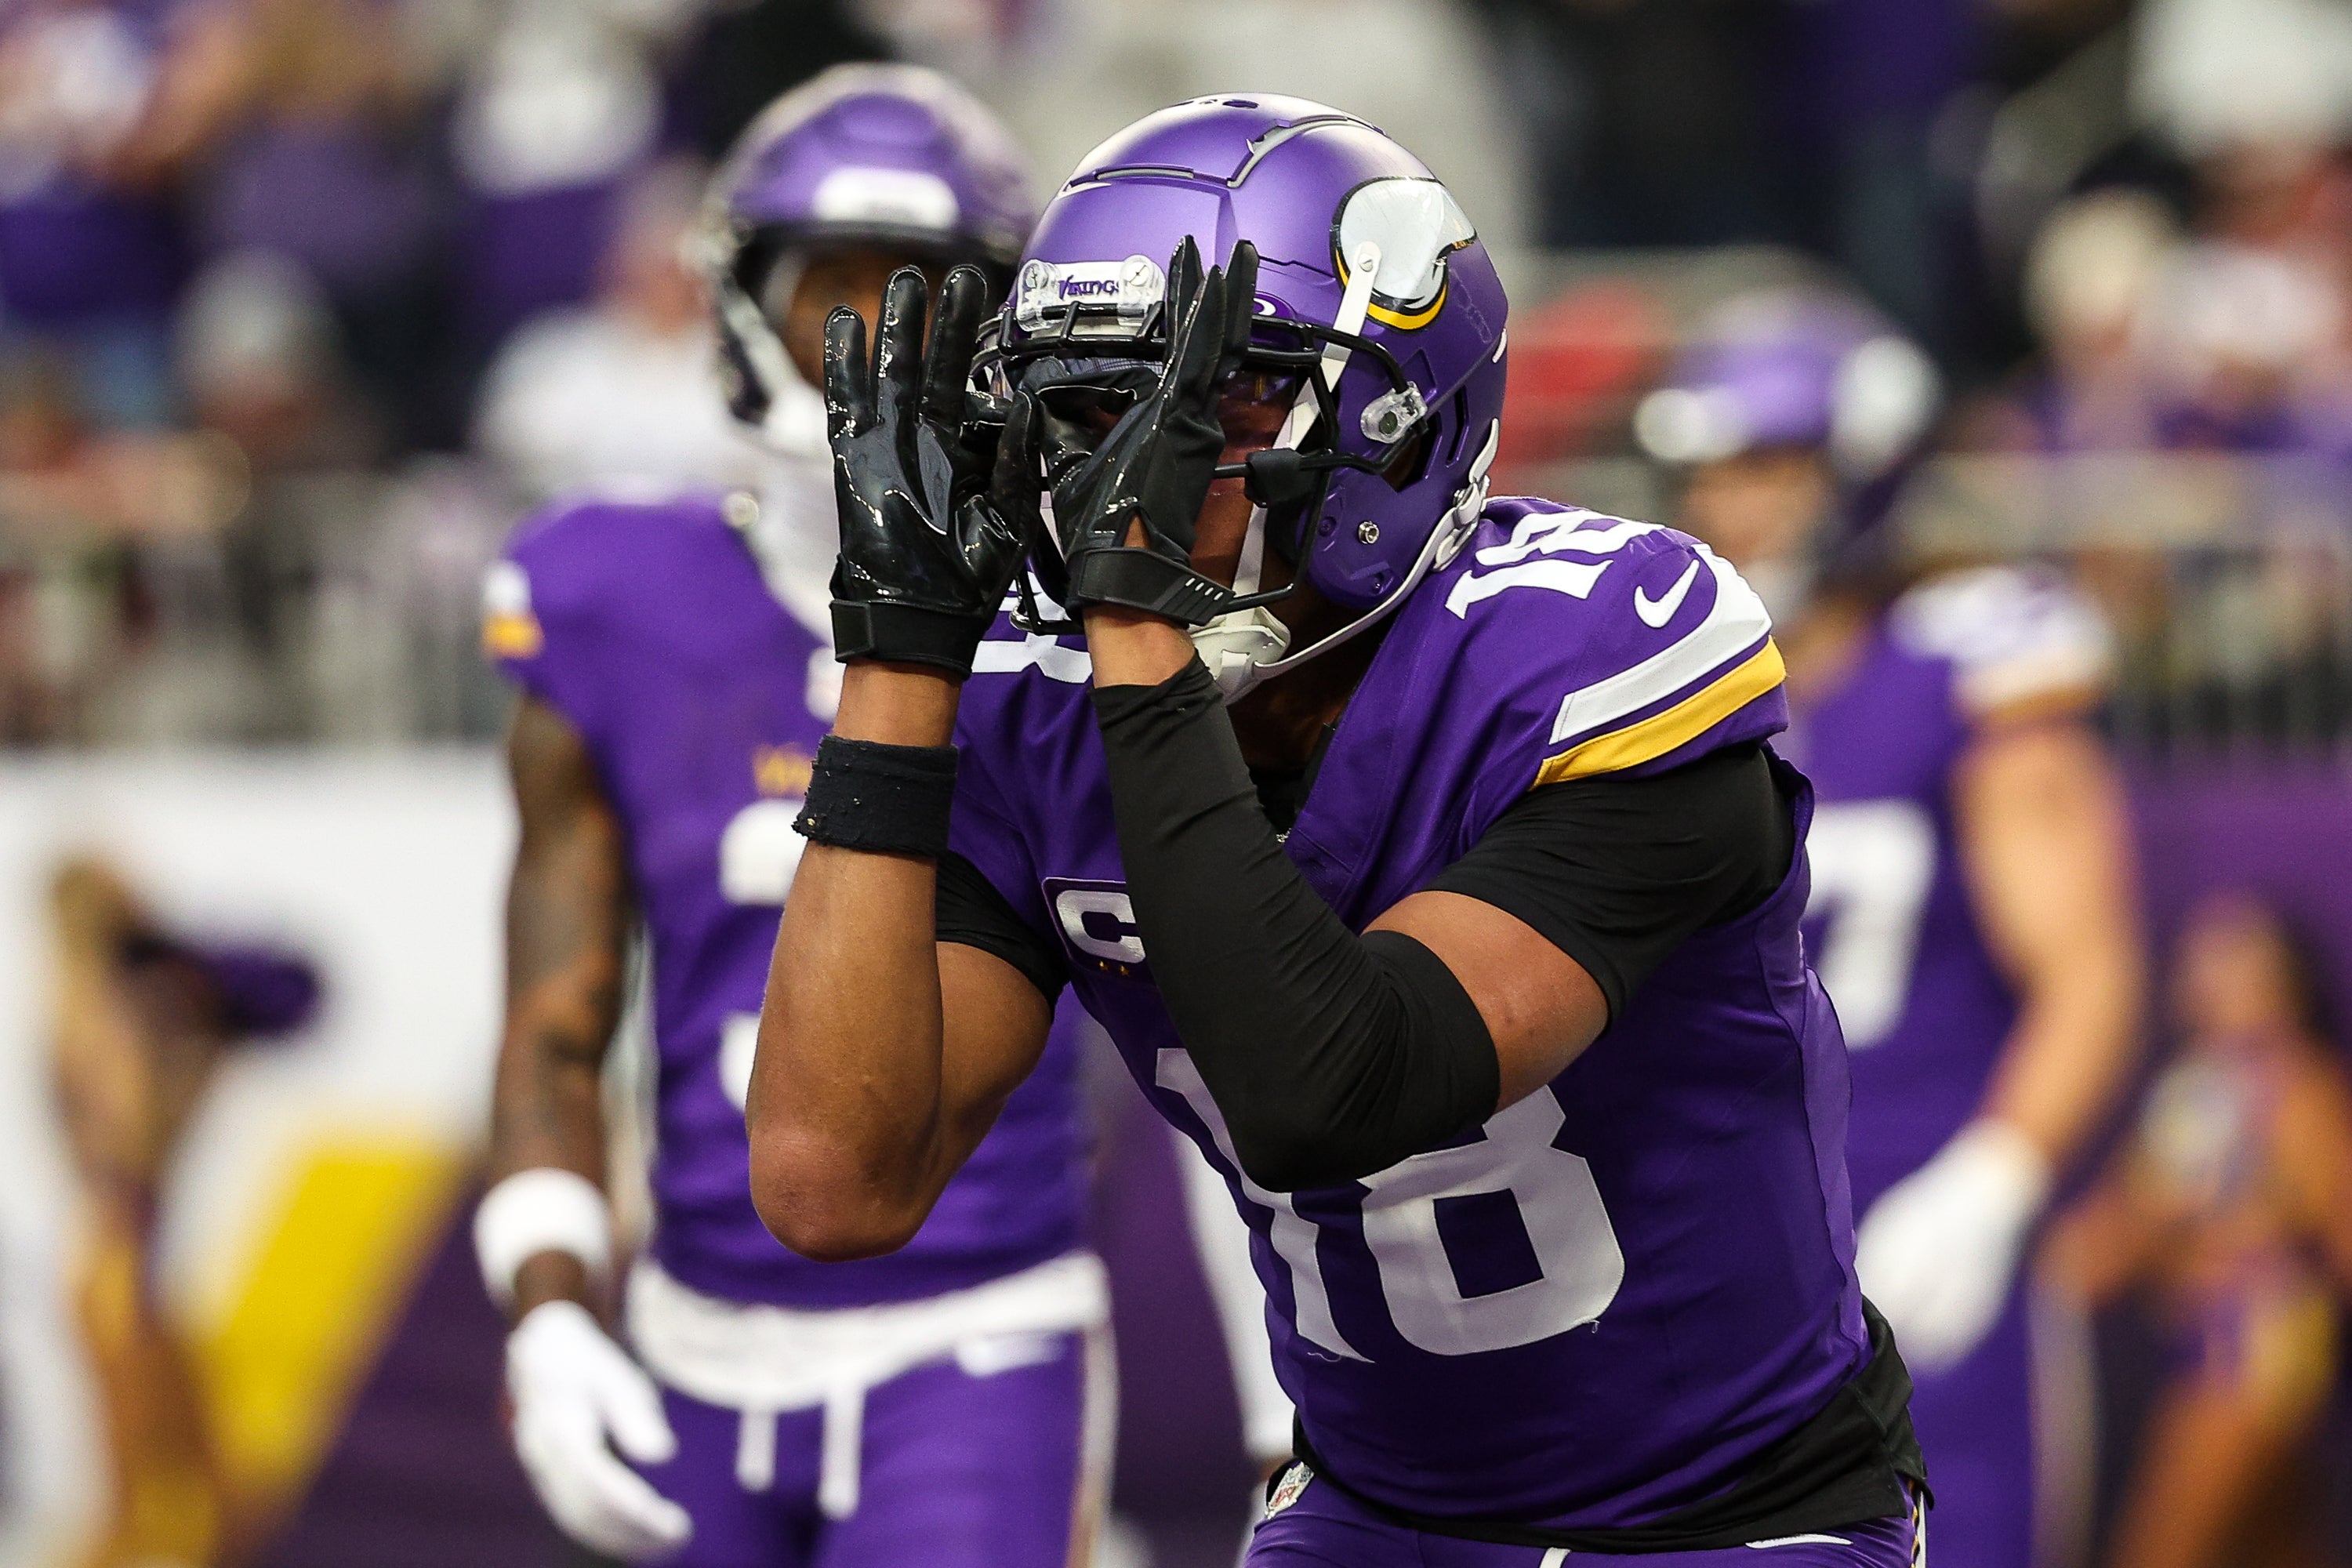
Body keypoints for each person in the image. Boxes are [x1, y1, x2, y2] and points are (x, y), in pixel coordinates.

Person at [754, 93, 1928, 1564]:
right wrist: (899, 660)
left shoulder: (1588, 654)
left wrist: (1137, 630)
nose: (1128, 480)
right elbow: (832, 1179)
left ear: (1398, 421)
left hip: (1736, 1519)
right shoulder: (1040, 709)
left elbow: (1340, 1091)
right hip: (1370, 1512)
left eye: (1209, 409)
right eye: (1090, 414)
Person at [474, 66, 1112, 1568]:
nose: (876, 344)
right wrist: (549, 1313)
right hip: (692, 1330)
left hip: (980, 1330)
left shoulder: (1087, 618)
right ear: (744, 299)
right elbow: (555, 1022)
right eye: (835, 289)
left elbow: (1210, 1036)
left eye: (922, 297)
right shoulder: (610, 593)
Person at [1651, 293, 2144, 1568]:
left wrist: (1993, 1185)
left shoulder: (1959, 671)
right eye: (1710, 472)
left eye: (1767, 466)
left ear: (1860, 472)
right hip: (1713, 1249)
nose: (1728, 503)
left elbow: (2089, 971)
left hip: (1926, 1229)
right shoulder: (1661, 701)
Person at [2045, 894, 2352, 1568]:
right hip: (2208, 1351)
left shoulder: (2295, 1086)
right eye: (2203, 958)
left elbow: (2338, 1234)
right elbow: (2124, 1227)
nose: (2210, 976)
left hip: (2251, 1357)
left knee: (2160, 1551)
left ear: (2284, 980)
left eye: (2235, 959)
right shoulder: (2196, 1088)